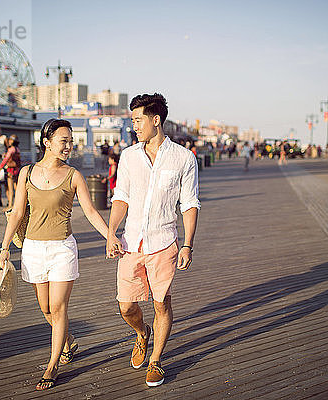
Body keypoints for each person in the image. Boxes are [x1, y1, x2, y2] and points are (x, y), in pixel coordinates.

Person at [0, 118, 110, 391]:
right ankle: (68, 340)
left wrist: (110, 236)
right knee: (46, 308)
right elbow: (17, 213)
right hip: (33, 249)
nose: (69, 146)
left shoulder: (74, 176)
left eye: (70, 141)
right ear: (47, 143)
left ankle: (52, 365)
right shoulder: (27, 173)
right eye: (64, 141)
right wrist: (4, 247)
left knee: (59, 309)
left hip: (62, 249)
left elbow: (92, 211)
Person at [106, 93, 200, 388]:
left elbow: (189, 203)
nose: (133, 124)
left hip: (164, 242)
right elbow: (120, 197)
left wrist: (188, 244)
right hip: (131, 243)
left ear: (155, 119)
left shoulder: (184, 158)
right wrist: (111, 233)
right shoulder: (129, 156)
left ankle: (156, 360)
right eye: (132, 119)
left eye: (138, 119)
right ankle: (141, 332)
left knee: (162, 304)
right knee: (125, 306)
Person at [0, 134, 22, 211]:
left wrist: (1, 166)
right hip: (17, 169)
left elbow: (6, 159)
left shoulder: (11, 149)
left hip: (10, 170)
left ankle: (10, 205)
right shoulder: (17, 149)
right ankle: (19, 204)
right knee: (17, 188)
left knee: (10, 188)